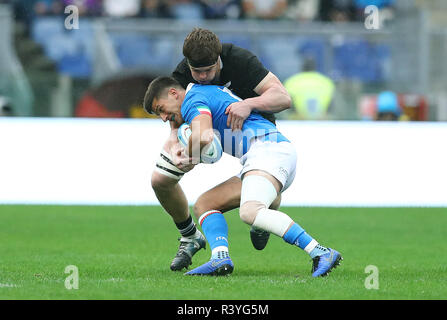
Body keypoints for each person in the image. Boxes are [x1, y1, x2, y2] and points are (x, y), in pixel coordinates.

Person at [143, 76, 343, 277]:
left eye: (161, 109)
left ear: (173, 93)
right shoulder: (202, 94)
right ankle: (220, 258)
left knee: (250, 212)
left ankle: (320, 251)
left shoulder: (192, 100)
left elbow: (204, 137)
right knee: (205, 205)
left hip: (268, 151)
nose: (163, 118)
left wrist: (188, 155)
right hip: (267, 154)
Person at [152, 27, 292, 272]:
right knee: (160, 179)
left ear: (219, 59)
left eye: (209, 70)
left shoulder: (240, 60)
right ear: (188, 64)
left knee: (258, 201)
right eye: (197, 71)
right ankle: (189, 236)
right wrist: (177, 143)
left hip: (253, 129)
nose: (203, 77)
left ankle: (264, 209)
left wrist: (249, 104)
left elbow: (283, 98)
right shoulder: (183, 73)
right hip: (207, 129)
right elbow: (178, 116)